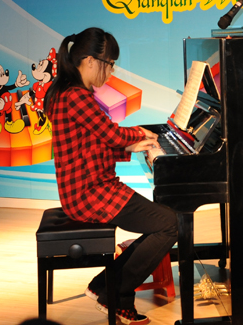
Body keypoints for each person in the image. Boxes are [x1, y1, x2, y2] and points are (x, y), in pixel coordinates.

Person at [46, 27, 178, 325]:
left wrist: (134, 143)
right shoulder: (76, 97)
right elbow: (110, 134)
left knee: (162, 222)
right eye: (110, 64)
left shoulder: (68, 92)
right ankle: (114, 293)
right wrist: (142, 135)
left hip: (89, 187)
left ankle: (105, 286)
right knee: (169, 224)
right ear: (90, 61)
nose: (111, 71)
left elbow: (93, 143)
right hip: (90, 193)